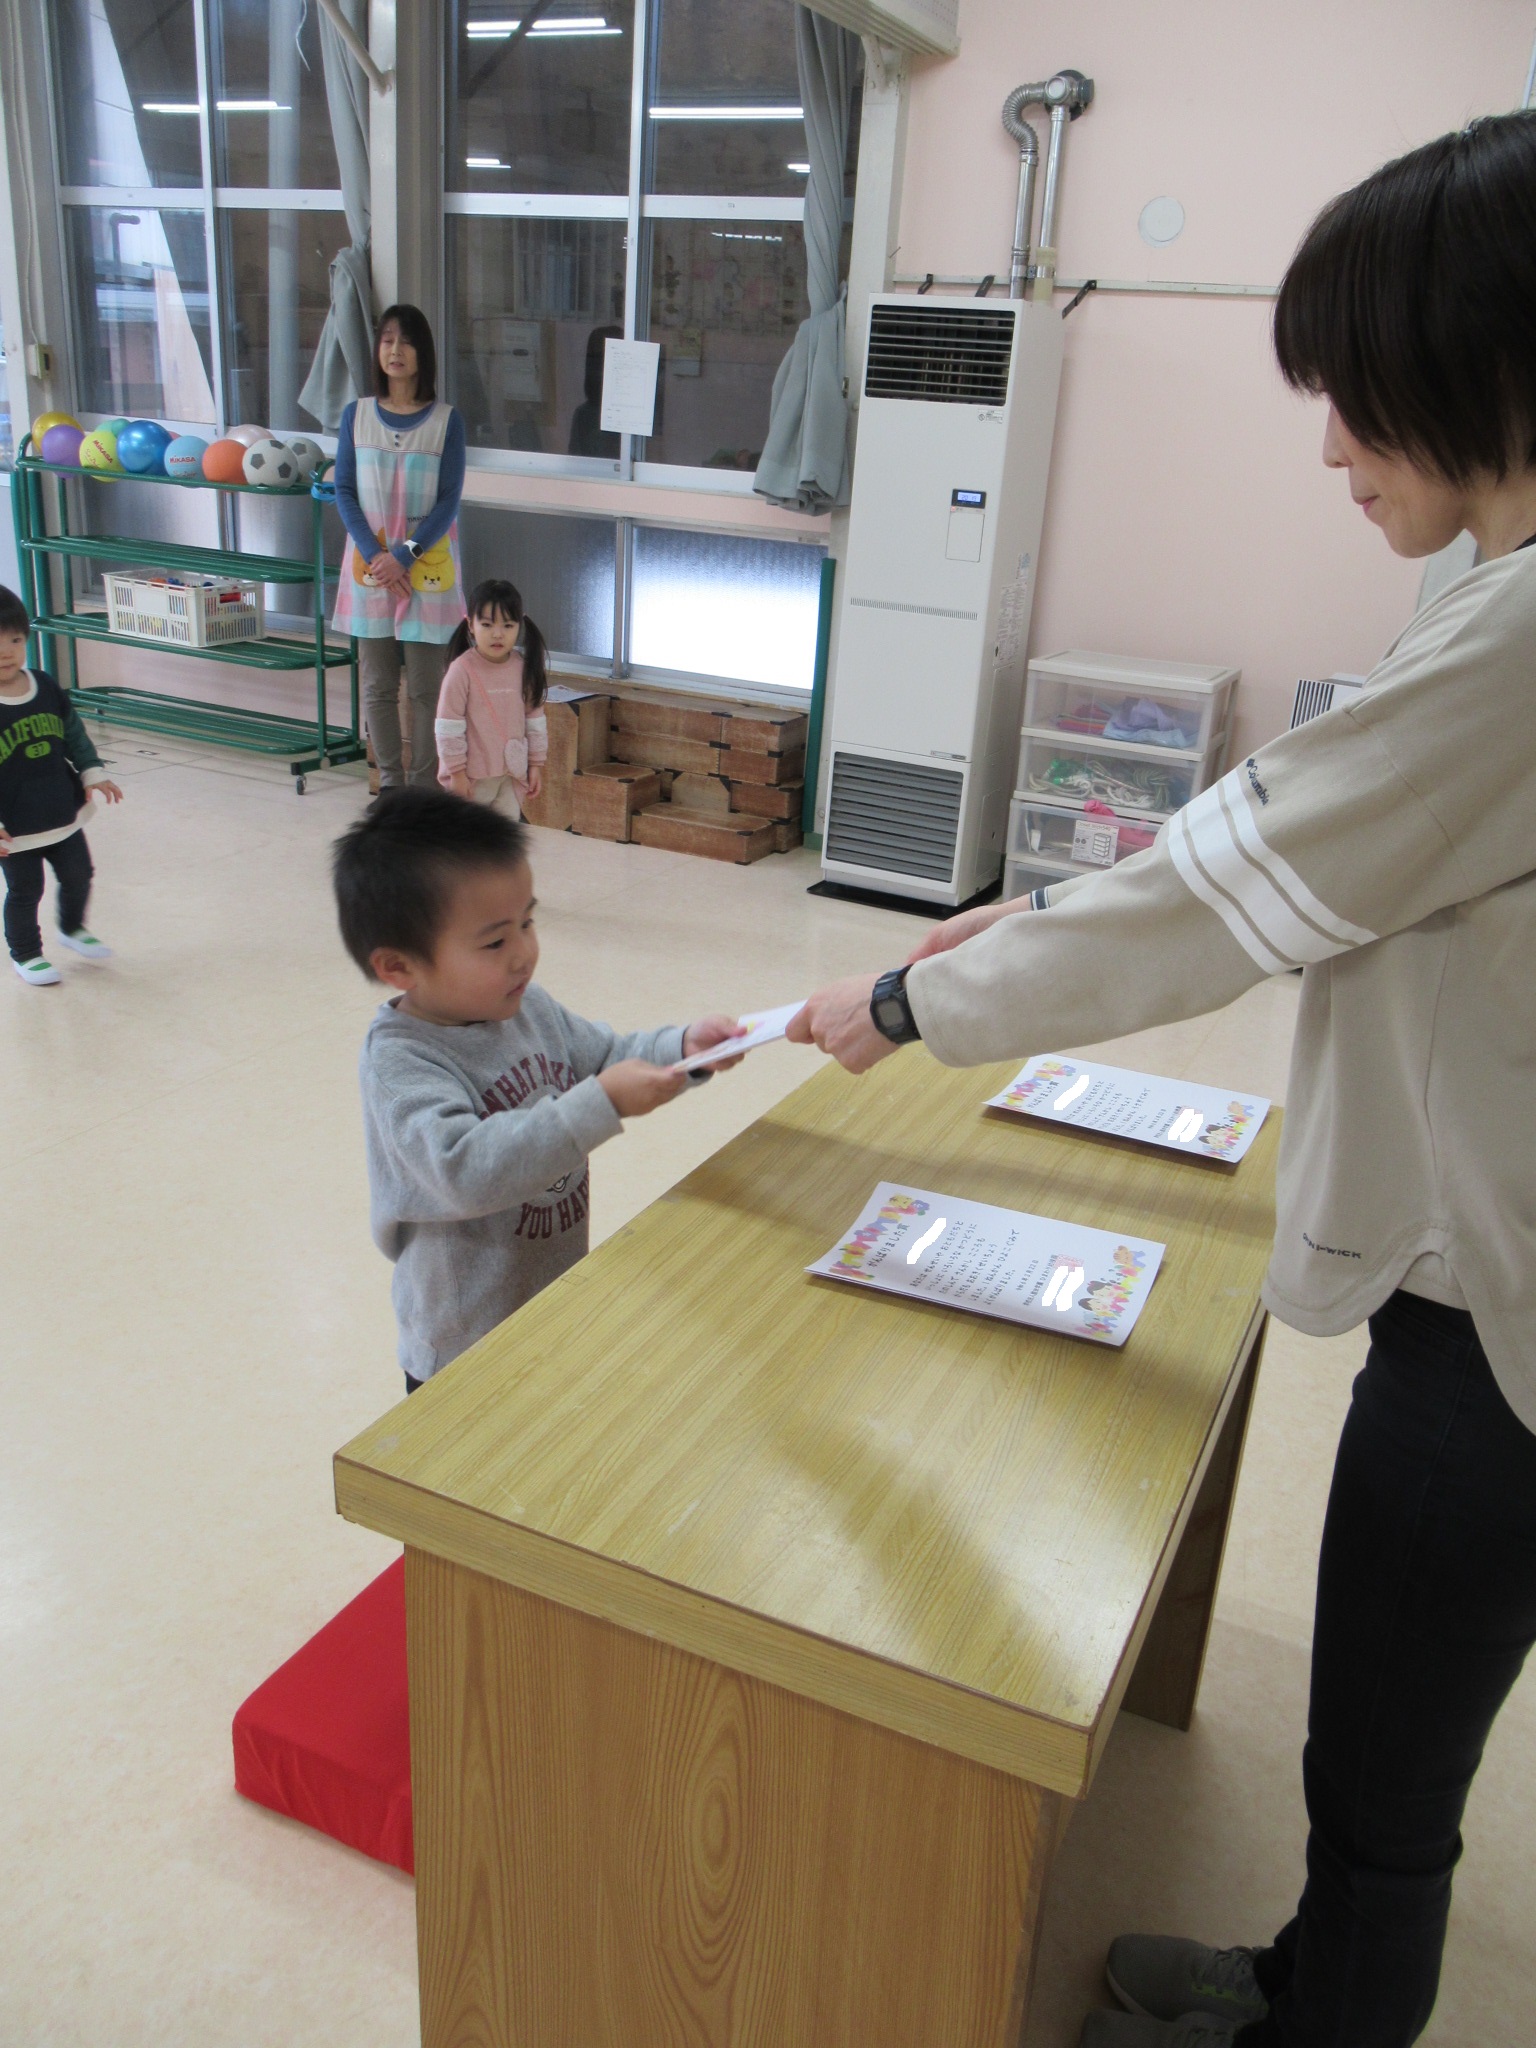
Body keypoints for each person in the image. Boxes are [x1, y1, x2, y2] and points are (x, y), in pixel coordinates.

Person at [789, 111, 1536, 2048]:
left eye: (1355, 391)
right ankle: (1303, 1980)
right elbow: (1279, 820)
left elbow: (1225, 898)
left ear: (1478, 363)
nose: (1331, 445)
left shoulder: (1526, 630)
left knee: (1384, 1769)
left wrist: (907, 995)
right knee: (1381, 1744)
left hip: (1500, 1319)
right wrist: (1027, 907)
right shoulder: (1493, 587)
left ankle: (1322, 2019)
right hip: (1472, 1262)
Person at [331, 788, 744, 1391]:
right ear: (399, 967)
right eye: (495, 942)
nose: (524, 954)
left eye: (527, 922)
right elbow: (463, 1169)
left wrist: (682, 1048)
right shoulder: (401, 1063)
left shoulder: (528, 1008)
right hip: (463, 1345)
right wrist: (600, 1104)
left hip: (548, 1306)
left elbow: (603, 1058)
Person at [333, 304, 467, 789]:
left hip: (426, 569)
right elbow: (344, 490)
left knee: (428, 690)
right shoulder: (356, 416)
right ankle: (389, 784)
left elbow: (449, 499)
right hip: (371, 571)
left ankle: (425, 788)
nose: (395, 350)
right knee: (378, 685)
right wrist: (378, 557)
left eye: (406, 340)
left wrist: (405, 555)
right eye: (387, 339)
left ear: (422, 353)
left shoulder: (446, 421)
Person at [0, 584, 123, 986]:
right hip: (13, 827)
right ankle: (26, 954)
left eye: (14, 640)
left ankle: (71, 928)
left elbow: (74, 735)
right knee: (26, 890)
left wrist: (93, 772)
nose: (6, 652)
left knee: (79, 873)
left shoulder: (45, 685)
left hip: (59, 808)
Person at [435, 578, 548, 817]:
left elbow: (535, 721)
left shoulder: (523, 667)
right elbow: (448, 727)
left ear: (520, 625)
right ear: (470, 625)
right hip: (471, 779)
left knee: (504, 836)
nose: (497, 634)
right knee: (470, 838)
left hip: (511, 777)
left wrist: (535, 765)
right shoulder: (461, 670)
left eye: (508, 625)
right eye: (486, 624)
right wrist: (456, 773)